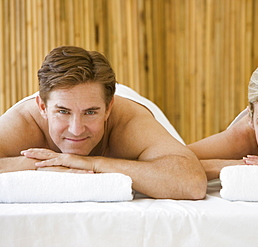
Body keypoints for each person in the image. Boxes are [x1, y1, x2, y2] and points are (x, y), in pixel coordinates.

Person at [0, 46, 207, 199]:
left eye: (90, 113)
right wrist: (49, 162)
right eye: (63, 112)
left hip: (125, 106)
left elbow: (192, 182)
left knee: (198, 155)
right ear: (43, 108)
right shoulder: (22, 123)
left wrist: (94, 163)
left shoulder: (128, 119)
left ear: (108, 108)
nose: (76, 129)